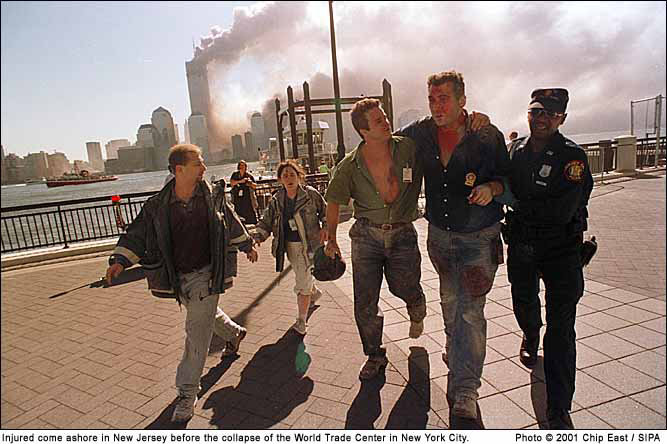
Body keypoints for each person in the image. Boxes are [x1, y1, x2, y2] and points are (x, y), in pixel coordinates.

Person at [104, 144, 259, 424]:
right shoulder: (157, 205)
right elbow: (137, 234)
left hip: (208, 274)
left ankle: (187, 392)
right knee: (203, 318)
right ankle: (234, 334)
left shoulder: (212, 197)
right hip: (177, 277)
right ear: (180, 169)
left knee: (195, 333)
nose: (204, 168)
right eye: (198, 163)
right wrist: (120, 260)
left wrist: (247, 244)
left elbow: (232, 222)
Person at [396, 71, 510, 426]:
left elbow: (509, 182)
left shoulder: (486, 135)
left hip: (479, 238)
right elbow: (388, 141)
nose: (436, 105)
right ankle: (457, 355)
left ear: (462, 99)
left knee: (470, 313)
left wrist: (492, 189)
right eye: (431, 99)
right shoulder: (421, 133)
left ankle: (466, 390)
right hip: (441, 238)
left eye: (443, 98)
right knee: (450, 305)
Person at [501, 88, 593, 429]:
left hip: (561, 250)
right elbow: (495, 176)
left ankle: (559, 406)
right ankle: (529, 333)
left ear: (561, 120)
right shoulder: (516, 150)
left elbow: (562, 209)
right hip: (523, 246)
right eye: (535, 112)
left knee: (561, 329)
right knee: (524, 302)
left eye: (548, 114)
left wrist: (516, 202)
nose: (540, 119)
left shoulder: (573, 157)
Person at [324, 98, 427, 381]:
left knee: (403, 285)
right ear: (364, 131)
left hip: (403, 232)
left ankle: (416, 303)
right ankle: (375, 354)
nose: (386, 122)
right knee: (365, 301)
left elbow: (433, 127)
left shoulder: (407, 147)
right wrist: (331, 238)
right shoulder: (350, 165)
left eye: (385, 117)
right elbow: (333, 200)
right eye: (379, 120)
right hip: (366, 236)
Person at [253, 159, 328, 335]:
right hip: (289, 246)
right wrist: (257, 237)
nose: (289, 178)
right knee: (303, 275)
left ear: (299, 176)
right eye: (285, 175)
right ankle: (314, 293)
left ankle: (301, 320)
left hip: (311, 244)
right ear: (280, 180)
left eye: (292, 174)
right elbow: (266, 221)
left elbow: (325, 211)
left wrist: (325, 227)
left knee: (302, 282)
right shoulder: (276, 200)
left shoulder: (310, 194)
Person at [230, 160, 258, 224]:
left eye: (243, 165)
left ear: (246, 167)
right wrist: (241, 181)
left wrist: (250, 183)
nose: (242, 167)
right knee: (238, 213)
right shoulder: (235, 175)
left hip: (247, 198)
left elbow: (255, 186)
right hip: (238, 198)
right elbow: (232, 183)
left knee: (249, 213)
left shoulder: (249, 175)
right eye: (240, 165)